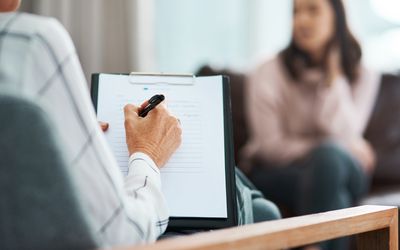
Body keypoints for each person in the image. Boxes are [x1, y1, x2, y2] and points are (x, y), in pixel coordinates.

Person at [0, 0, 279, 247]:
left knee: (256, 204)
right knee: (261, 210)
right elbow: (123, 234)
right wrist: (147, 153)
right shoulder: (32, 42)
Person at [240, 0, 380, 249]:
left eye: (313, 10)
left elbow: (347, 132)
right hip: (279, 171)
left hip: (343, 169)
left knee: (329, 163)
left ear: (337, 16)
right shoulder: (267, 71)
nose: (301, 20)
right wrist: (326, 149)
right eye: (296, 12)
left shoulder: (363, 74)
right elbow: (270, 146)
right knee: (333, 185)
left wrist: (333, 78)